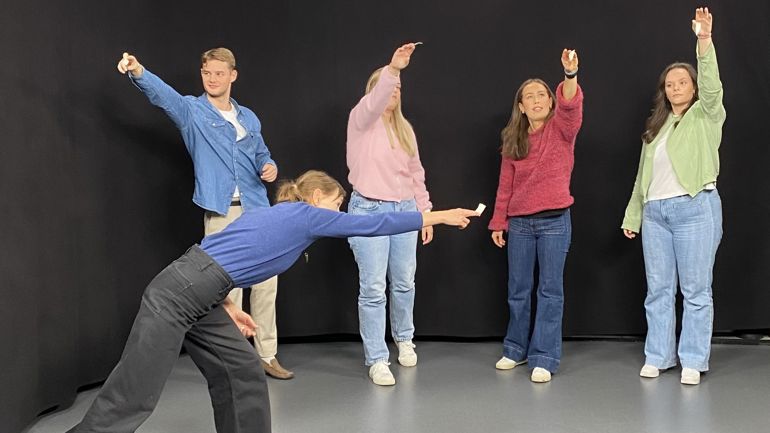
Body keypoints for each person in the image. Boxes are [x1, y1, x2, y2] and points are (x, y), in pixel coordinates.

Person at [66, 170, 479, 433]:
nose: (338, 213)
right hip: (179, 295)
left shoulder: (273, 214)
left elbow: (222, 255)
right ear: (316, 197)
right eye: (336, 204)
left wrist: (227, 305)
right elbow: (374, 223)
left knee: (242, 372)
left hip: (198, 292)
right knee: (134, 395)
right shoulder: (306, 215)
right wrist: (438, 216)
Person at [117, 48, 293, 380]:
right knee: (226, 290)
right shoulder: (193, 112)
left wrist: (268, 165)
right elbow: (164, 96)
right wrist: (138, 71)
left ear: (233, 75)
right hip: (222, 212)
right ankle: (236, 362)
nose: (212, 79)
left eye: (219, 73)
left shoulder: (248, 117)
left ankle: (267, 355)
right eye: (207, 73)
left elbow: (261, 153)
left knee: (266, 283)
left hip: (258, 209)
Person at [621, 7, 724, 386]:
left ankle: (693, 359)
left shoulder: (706, 115)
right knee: (658, 289)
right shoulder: (657, 126)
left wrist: (704, 40)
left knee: (695, 289)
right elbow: (642, 176)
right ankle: (659, 355)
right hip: (655, 214)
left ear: (693, 87)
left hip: (695, 208)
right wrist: (634, 215)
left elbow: (712, 86)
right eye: (669, 84)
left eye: (682, 82)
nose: (676, 88)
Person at [488, 49, 583, 383]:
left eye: (542, 94)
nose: (537, 99)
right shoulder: (513, 138)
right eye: (530, 96)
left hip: (555, 222)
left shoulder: (562, 129)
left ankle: (544, 356)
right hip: (520, 224)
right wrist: (499, 221)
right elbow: (505, 185)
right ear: (521, 106)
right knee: (518, 288)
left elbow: (571, 105)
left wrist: (569, 75)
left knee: (550, 291)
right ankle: (516, 349)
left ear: (551, 101)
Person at [346, 43, 434, 386]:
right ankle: (377, 358)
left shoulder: (405, 129)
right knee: (372, 288)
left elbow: (416, 174)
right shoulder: (361, 121)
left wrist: (424, 212)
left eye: (398, 89)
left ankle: (404, 338)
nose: (394, 92)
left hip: (404, 211)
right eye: (388, 87)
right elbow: (377, 98)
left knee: (404, 281)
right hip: (369, 210)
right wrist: (394, 70)